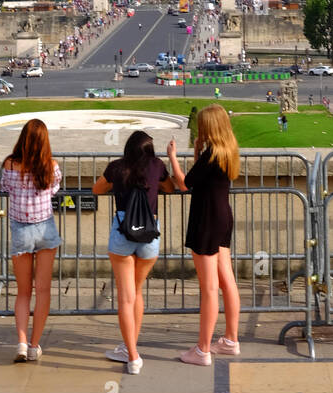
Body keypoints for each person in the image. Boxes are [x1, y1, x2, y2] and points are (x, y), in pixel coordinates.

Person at [92, 130, 176, 373]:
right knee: (137, 293)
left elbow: (97, 190)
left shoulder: (117, 167)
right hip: (149, 231)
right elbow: (169, 188)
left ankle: (132, 355)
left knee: (125, 297)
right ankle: (131, 348)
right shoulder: (157, 165)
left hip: (123, 232)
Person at [167, 106, 241, 366]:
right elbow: (202, 178)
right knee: (227, 281)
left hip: (205, 220)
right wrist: (198, 149)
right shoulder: (227, 150)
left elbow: (185, 182)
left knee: (209, 288)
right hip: (222, 216)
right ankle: (230, 340)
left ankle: (202, 350)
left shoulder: (211, 155)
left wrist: (172, 157)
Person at [0, 119, 62, 364]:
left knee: (23, 292)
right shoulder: (51, 166)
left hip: (21, 231)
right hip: (45, 229)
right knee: (43, 291)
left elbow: (5, 187)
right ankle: (35, 345)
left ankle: (22, 343)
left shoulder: (10, 164)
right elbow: (54, 188)